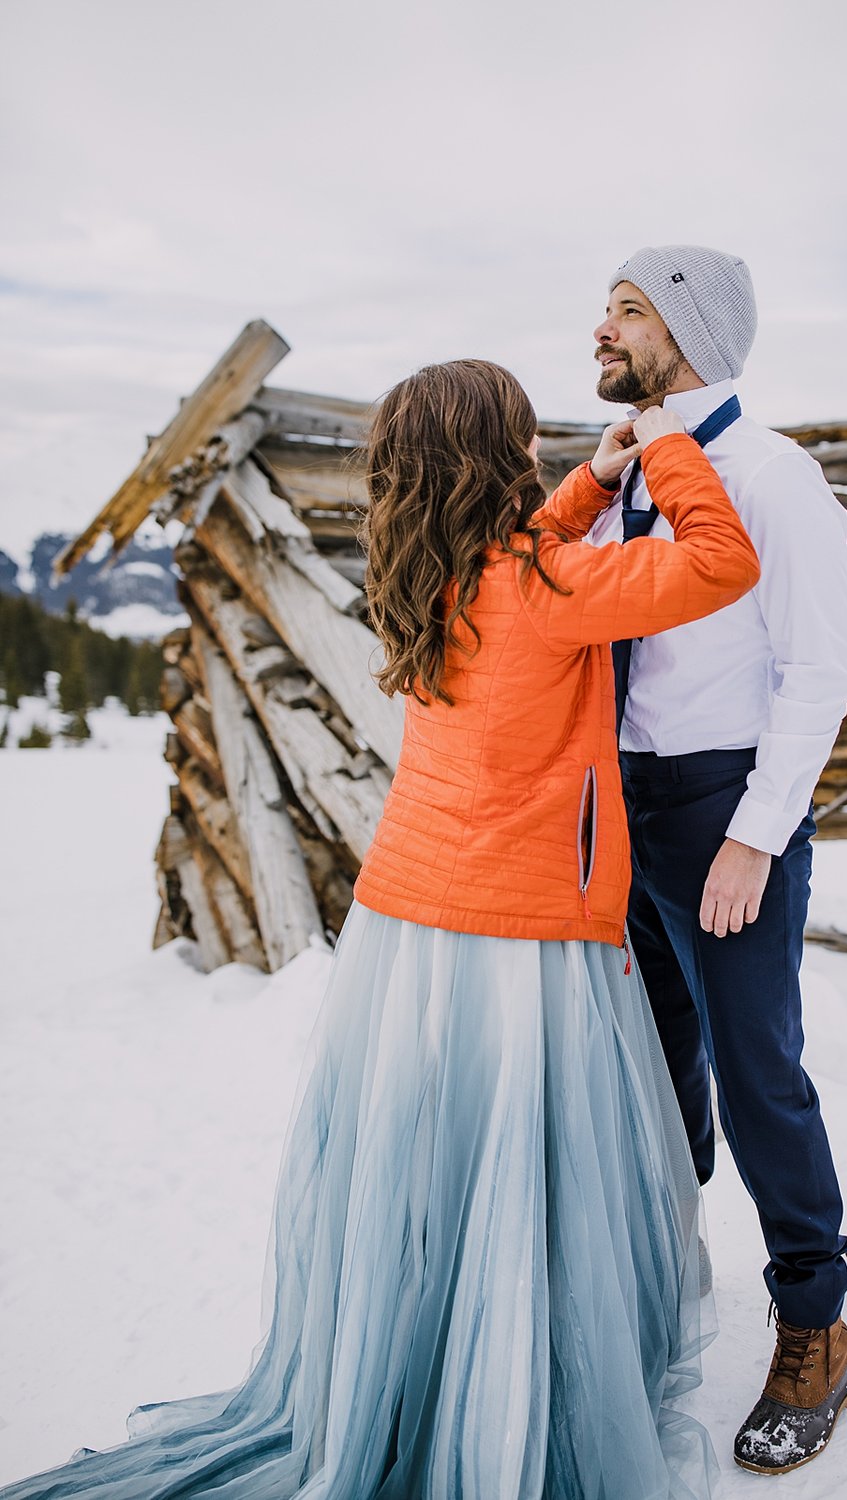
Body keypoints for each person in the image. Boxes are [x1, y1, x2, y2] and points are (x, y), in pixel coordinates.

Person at [1, 359, 759, 1500]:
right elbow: (720, 561)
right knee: (521, 1171)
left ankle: (424, 1371)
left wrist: (588, 490)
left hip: (410, 922)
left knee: (436, 1166)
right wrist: (659, 444)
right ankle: (503, 1399)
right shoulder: (547, 585)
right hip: (521, 930)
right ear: (500, 463)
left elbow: (521, 564)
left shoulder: (426, 573)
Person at [590, 245, 847, 1475]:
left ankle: (816, 1327)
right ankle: (663, 1285)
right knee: (650, 1071)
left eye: (628, 310)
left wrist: (754, 836)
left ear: (687, 332)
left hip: (725, 811)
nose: (602, 327)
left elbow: (820, 673)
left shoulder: (771, 475)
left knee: (758, 1077)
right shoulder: (620, 474)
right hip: (627, 812)